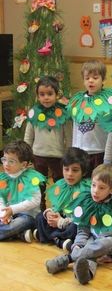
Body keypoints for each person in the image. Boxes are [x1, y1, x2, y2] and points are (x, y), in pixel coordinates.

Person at [45, 164, 112, 285]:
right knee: (89, 252)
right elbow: (83, 229)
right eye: (93, 185)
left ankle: (67, 259)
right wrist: (78, 245)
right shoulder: (88, 201)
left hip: (109, 241)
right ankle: (86, 274)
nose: (95, 191)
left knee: (107, 242)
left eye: (101, 188)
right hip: (92, 240)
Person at [24, 75, 72, 211]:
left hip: (58, 156)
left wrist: (69, 155)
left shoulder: (63, 113)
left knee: (60, 184)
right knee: (39, 185)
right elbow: (28, 137)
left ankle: (60, 208)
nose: (46, 97)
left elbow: (69, 137)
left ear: (57, 95)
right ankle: (40, 208)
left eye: (50, 94)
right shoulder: (33, 114)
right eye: (42, 94)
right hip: (37, 155)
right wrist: (26, 156)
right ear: (37, 96)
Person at [67, 60, 112, 177]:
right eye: (87, 78)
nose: (91, 80)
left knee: (99, 180)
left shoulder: (110, 101)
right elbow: (75, 128)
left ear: (103, 80)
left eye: (95, 78)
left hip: (99, 151)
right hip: (80, 152)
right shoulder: (77, 100)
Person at [35, 147, 91, 251]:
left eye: (75, 170)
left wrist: (61, 222)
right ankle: (59, 239)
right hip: (61, 220)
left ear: (83, 172)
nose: (69, 174)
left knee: (76, 227)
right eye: (66, 169)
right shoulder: (61, 185)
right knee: (40, 217)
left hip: (71, 222)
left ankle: (52, 237)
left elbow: (82, 219)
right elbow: (56, 208)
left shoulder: (86, 189)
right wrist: (50, 214)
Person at [0, 140, 45, 243]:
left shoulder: (30, 178)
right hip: (9, 214)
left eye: (11, 161)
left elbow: (35, 201)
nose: (6, 164)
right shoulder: (4, 177)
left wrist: (12, 209)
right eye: (4, 159)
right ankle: (20, 234)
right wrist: (3, 214)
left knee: (18, 223)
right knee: (6, 222)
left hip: (27, 215)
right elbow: (0, 197)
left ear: (24, 164)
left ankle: (11, 232)